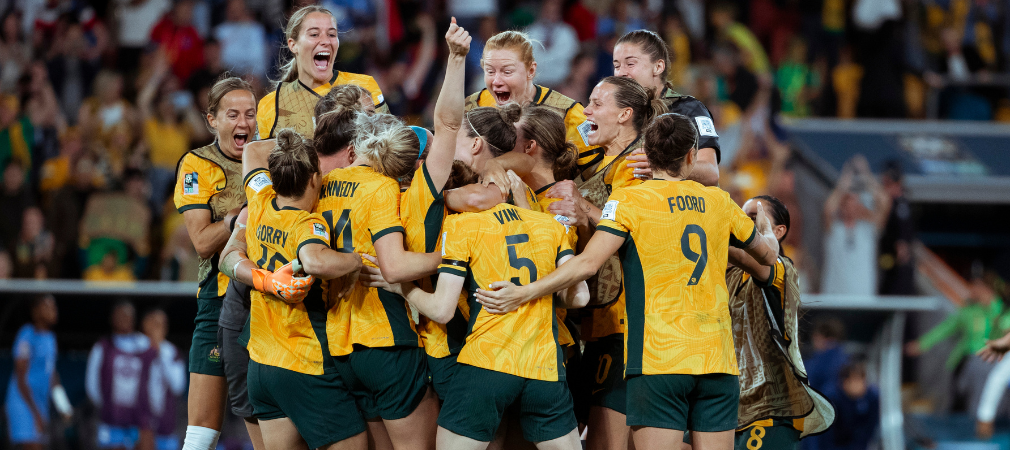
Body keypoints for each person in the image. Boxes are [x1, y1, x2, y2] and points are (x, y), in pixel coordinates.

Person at [475, 113, 780, 450]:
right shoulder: (720, 202)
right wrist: (767, 228)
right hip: (717, 360)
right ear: (692, 156)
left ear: (647, 155)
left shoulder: (629, 201)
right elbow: (767, 256)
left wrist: (525, 292)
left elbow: (588, 264)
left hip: (657, 358)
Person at [388, 172, 589, 450]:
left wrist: (402, 289)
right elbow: (579, 296)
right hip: (544, 367)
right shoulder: (550, 225)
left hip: (487, 362)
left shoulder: (462, 224)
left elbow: (443, 310)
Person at [221, 129, 367, 450]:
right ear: (315, 178)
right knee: (356, 443)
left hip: (261, 365)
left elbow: (253, 152)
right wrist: (357, 260)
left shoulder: (259, 200)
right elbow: (315, 260)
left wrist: (294, 146)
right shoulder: (308, 223)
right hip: (303, 361)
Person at [540, 76, 665, 450]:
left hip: (625, 323)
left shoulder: (638, 165)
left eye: (596, 104)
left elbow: (639, 232)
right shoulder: (600, 161)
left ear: (625, 114)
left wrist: (584, 208)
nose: (586, 111)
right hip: (594, 319)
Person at [319, 112, 443, 450]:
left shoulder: (324, 183)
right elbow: (394, 267)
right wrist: (452, 257)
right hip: (385, 335)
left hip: (341, 341)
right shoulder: (382, 187)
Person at [173, 76, 256, 450]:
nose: (244, 123)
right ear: (212, 120)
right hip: (219, 297)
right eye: (233, 114)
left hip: (273, 297)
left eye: (251, 114)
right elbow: (202, 243)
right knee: (203, 428)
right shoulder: (195, 165)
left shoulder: (273, 159)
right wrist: (238, 218)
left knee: (270, 416)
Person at [726, 196, 834, 450]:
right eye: (741, 217)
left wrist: (709, 226)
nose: (744, 223)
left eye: (753, 218)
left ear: (779, 231)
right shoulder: (728, 276)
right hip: (729, 407)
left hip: (772, 408)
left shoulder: (783, 270)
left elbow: (758, 261)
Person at [464, 30, 601, 177]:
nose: (496, 81)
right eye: (490, 71)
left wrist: (575, 195)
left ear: (531, 70)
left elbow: (600, 175)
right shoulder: (475, 104)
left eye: (507, 72)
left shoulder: (569, 114)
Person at [256, 5, 388, 140]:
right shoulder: (271, 104)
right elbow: (261, 157)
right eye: (314, 34)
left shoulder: (364, 85)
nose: (326, 41)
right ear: (293, 44)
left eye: (331, 34)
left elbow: (390, 146)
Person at [611, 29, 721, 186]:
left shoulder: (689, 110)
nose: (621, 73)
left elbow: (711, 173)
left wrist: (661, 166)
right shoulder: (616, 115)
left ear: (658, 67)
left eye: (630, 64)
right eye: (616, 66)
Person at [85, 301, 158, 450]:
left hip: (140, 420)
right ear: (112, 318)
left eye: (128, 315)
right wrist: (106, 406)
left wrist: (150, 409)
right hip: (112, 418)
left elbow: (155, 380)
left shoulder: (145, 344)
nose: (124, 319)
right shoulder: (103, 347)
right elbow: (92, 384)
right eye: (120, 315)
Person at [5, 295, 72, 450]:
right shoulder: (26, 334)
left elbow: (52, 375)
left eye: (54, 307)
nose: (53, 311)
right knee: (32, 446)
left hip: (40, 401)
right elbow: (21, 378)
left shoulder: (51, 338)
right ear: (35, 312)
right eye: (47, 307)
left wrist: (63, 406)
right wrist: (35, 412)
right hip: (24, 401)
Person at [820, 155, 890, 296]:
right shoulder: (834, 229)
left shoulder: (868, 229)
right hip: (834, 297)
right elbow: (828, 209)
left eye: (855, 203)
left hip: (862, 298)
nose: (852, 207)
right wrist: (843, 183)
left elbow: (885, 202)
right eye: (848, 203)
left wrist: (867, 175)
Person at [142, 309, 188, 450]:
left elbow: (178, 386)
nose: (158, 328)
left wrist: (160, 352)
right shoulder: (137, 347)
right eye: (154, 323)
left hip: (166, 424)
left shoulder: (172, 352)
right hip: (138, 423)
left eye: (162, 324)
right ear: (145, 325)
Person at [877, 161, 916, 296]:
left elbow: (903, 242)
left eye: (887, 183)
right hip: (888, 264)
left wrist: (902, 249)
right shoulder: (891, 203)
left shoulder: (901, 204)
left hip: (897, 269)